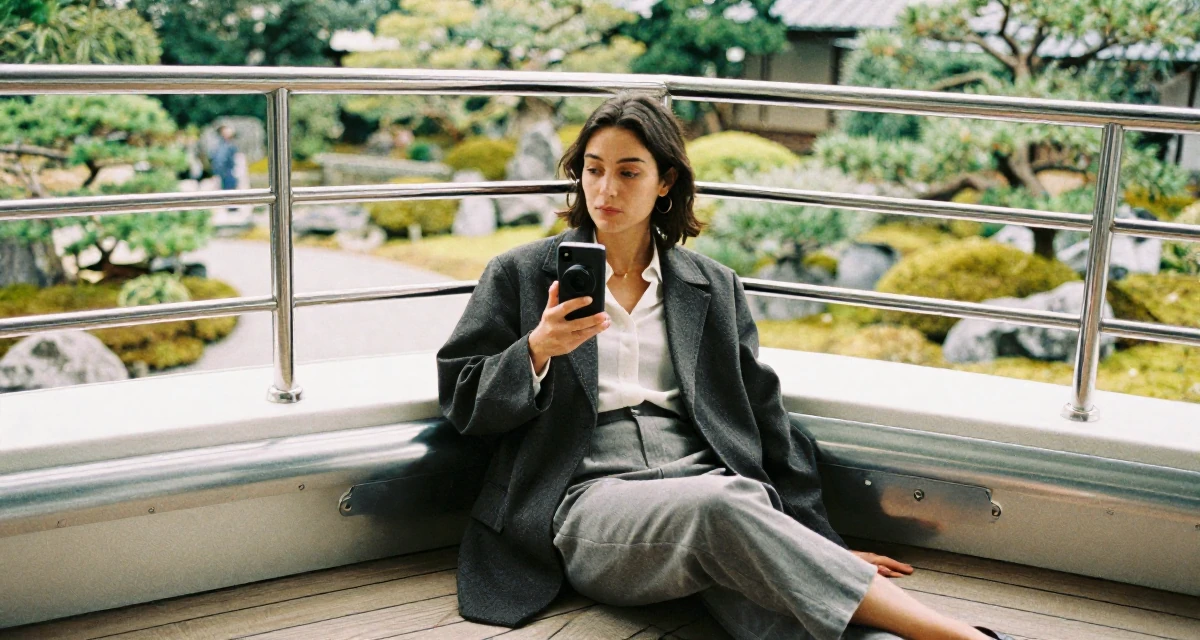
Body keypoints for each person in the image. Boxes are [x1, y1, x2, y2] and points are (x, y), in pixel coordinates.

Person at [437, 92, 1012, 640]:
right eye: (593, 169)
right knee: (726, 507)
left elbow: (765, 418)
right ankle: (958, 634)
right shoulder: (520, 274)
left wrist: (811, 542)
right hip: (589, 503)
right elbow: (462, 398)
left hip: (712, 488)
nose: (605, 188)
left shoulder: (709, 286)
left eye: (629, 172)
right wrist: (536, 350)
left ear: (665, 182)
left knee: (765, 597)